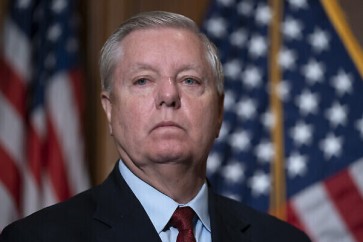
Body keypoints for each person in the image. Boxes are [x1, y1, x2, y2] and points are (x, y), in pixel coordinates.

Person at [0, 11, 311, 242]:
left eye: (189, 80)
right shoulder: (36, 238)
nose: (168, 96)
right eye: (143, 81)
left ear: (219, 112)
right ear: (109, 109)